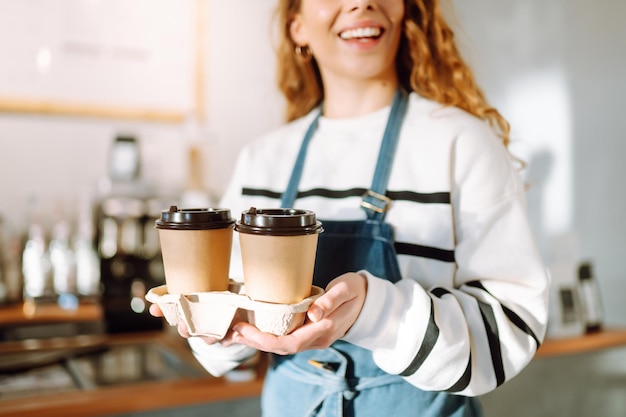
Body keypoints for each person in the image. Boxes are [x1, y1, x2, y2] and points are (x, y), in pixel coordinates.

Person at [151, 0, 549, 416]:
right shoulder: (262, 161)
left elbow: (510, 330)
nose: (361, 2)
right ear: (297, 26)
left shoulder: (463, 145)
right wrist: (214, 329)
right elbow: (227, 336)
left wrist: (375, 312)